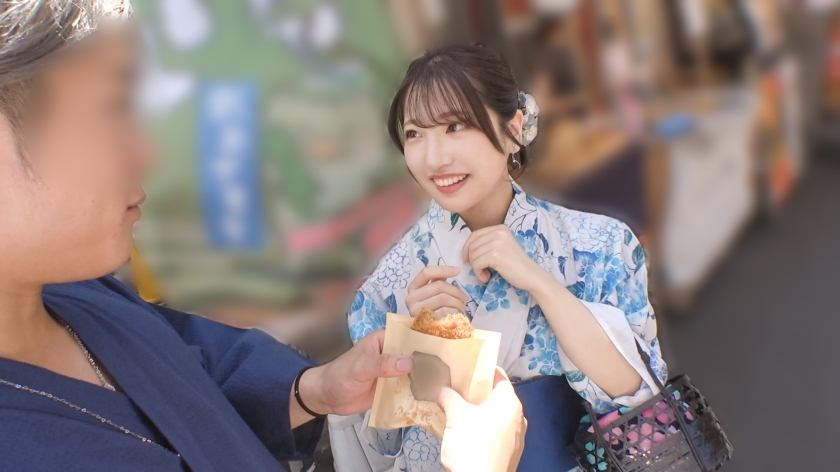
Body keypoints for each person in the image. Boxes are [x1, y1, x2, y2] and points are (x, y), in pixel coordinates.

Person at [0, 2, 524, 471]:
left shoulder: (80, 297)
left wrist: (312, 389)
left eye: (457, 127)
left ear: (514, 129)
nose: (148, 154)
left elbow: (195, 370)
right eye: (113, 111)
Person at [347, 44, 668, 471]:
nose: (435, 157)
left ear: (513, 130)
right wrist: (417, 340)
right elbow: (387, 437)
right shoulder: (389, 285)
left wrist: (541, 283)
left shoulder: (601, 245)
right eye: (415, 134)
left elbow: (638, 396)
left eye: (456, 126)